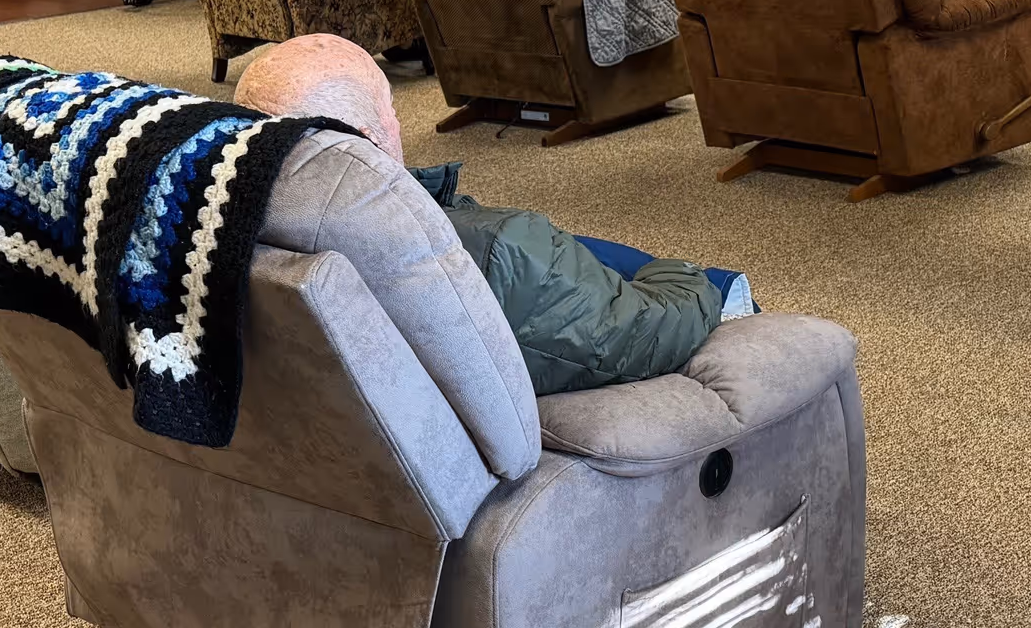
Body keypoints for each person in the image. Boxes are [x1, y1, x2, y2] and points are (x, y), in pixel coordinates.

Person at [233, 35, 751, 394]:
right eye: (389, 107)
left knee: (574, 251)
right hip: (559, 305)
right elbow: (636, 333)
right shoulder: (501, 252)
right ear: (369, 142)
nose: (397, 121)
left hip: (523, 266)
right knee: (709, 286)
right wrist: (692, 280)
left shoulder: (223, 242)